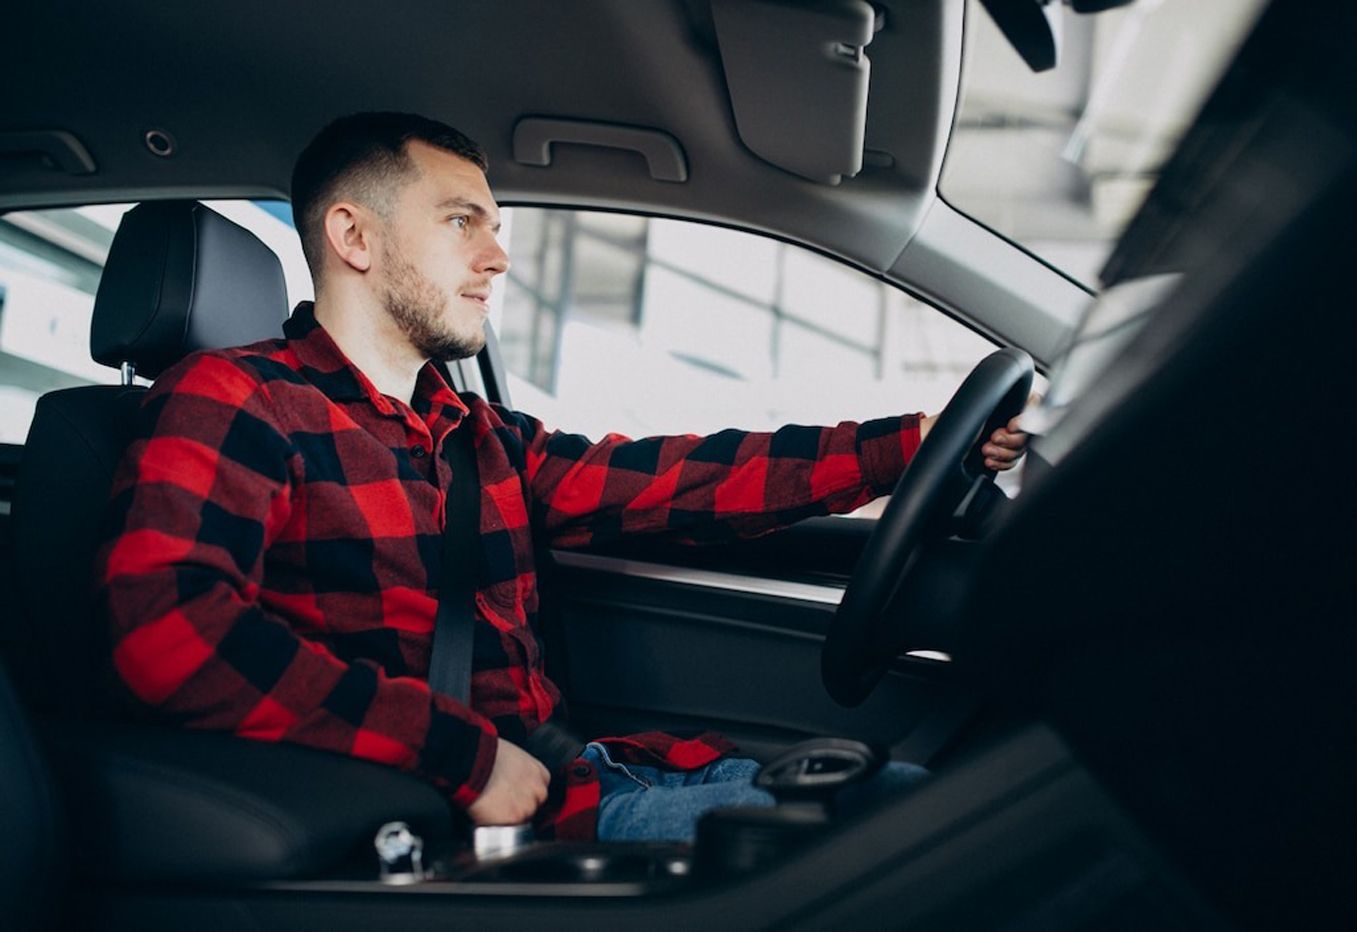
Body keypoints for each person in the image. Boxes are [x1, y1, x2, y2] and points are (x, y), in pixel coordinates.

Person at [96, 112, 1030, 842]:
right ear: (354, 235)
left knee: (934, 808)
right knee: (927, 836)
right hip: (469, 822)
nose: (498, 255)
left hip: (594, 773)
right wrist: (461, 757)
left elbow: (672, 482)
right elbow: (170, 630)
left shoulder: (473, 433)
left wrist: (903, 444)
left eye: (496, 227)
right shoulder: (236, 399)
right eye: (463, 222)